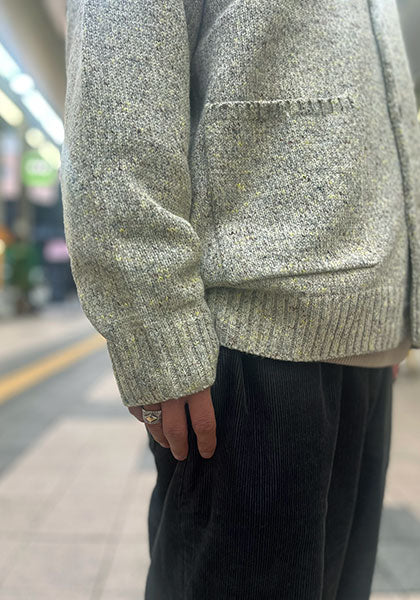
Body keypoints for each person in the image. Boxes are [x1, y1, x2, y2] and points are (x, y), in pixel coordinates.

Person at [61, 1, 420, 598]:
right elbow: (117, 100)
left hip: (362, 351)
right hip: (248, 350)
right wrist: (157, 328)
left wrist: (395, 301)